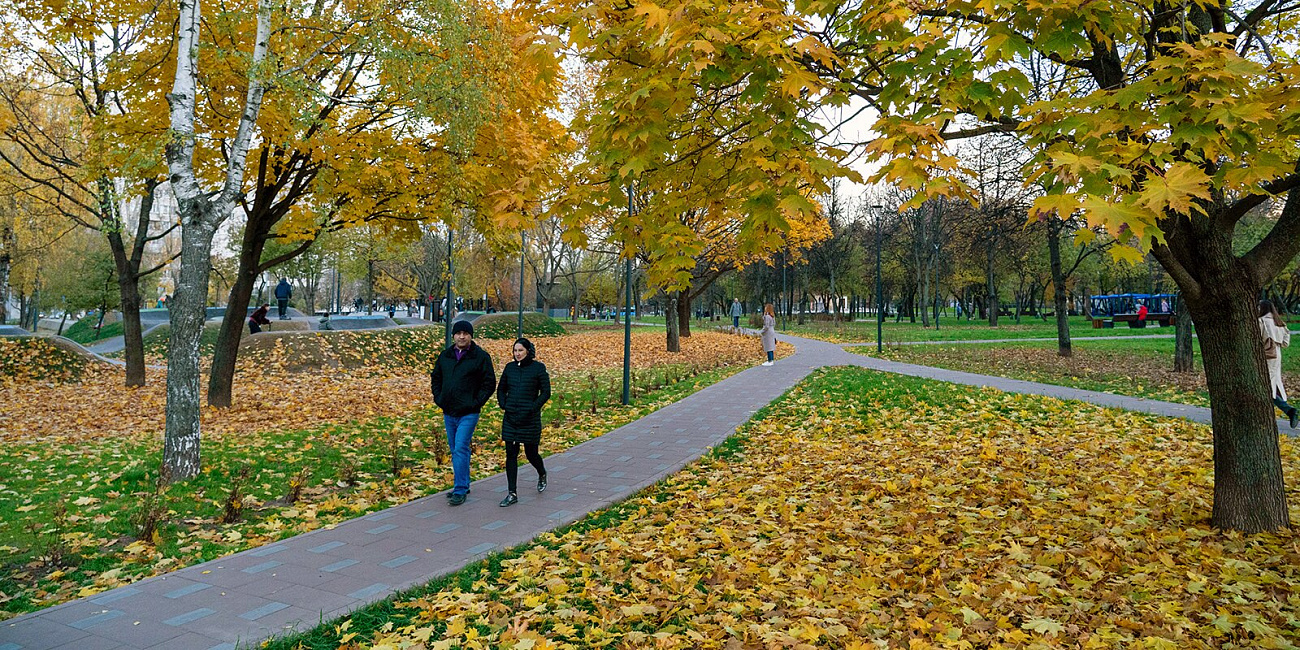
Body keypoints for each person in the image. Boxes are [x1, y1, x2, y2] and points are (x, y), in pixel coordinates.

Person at [430, 320, 496, 505]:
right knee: (457, 449)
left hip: (469, 412)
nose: (461, 336)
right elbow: (436, 378)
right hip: (449, 411)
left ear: (471, 335)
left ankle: (459, 489)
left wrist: (476, 402)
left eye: (465, 333)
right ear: (453, 335)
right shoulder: (446, 356)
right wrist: (439, 398)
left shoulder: (480, 357)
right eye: (458, 333)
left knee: (460, 447)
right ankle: (464, 484)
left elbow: (489, 383)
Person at [495, 338, 550, 507]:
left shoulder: (538, 368)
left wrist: (533, 408)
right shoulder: (510, 368)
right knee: (511, 453)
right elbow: (501, 389)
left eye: (520, 350)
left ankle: (541, 473)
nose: (517, 354)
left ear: (528, 351)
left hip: (529, 418)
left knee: (530, 453)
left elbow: (546, 392)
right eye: (515, 351)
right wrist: (504, 404)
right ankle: (512, 493)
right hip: (511, 417)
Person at [1259, 300, 1298, 429]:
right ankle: (1287, 409)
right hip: (1277, 354)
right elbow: (1286, 341)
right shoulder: (1279, 322)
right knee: (1274, 383)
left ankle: (1289, 410)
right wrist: (1278, 342)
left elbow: (1257, 338)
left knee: (1266, 386)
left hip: (1267, 355)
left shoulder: (1262, 321)